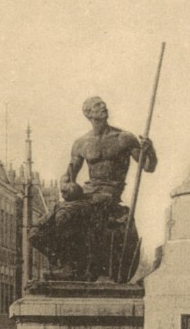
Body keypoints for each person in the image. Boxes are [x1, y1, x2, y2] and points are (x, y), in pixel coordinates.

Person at [31, 97, 157, 282]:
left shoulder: (124, 138)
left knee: (64, 215)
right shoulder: (81, 143)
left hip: (108, 194)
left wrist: (150, 150)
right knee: (36, 232)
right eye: (98, 105)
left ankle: (71, 268)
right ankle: (66, 262)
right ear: (89, 114)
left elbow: (148, 166)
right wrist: (67, 186)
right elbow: (68, 175)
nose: (104, 106)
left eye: (104, 104)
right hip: (87, 194)